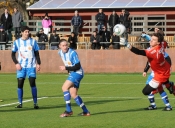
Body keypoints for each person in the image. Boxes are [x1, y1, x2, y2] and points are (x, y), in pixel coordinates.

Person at [127, 33, 174, 109]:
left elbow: (139, 52)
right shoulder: (162, 44)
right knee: (159, 88)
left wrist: (127, 45)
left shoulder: (153, 52)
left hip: (160, 74)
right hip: (165, 67)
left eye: (153, 40)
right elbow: (161, 42)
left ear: (158, 42)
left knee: (146, 91)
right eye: (151, 39)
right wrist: (152, 36)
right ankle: (167, 106)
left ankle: (168, 85)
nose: (151, 41)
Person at [58, 39, 90, 117]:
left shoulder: (72, 53)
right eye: (63, 45)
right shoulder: (60, 53)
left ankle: (68, 110)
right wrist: (68, 69)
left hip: (77, 73)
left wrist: (66, 68)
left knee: (64, 87)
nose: (65, 47)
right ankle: (86, 111)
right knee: (73, 94)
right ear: (59, 46)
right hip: (73, 73)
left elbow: (77, 66)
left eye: (66, 45)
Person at [11, 26, 41, 109]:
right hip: (21, 67)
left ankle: (35, 103)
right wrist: (16, 63)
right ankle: (20, 103)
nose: (27, 33)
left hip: (31, 66)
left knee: (32, 83)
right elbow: (13, 55)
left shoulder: (33, 41)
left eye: (28, 31)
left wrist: (38, 63)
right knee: (20, 84)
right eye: (26, 32)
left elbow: (37, 53)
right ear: (22, 32)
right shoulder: (17, 42)